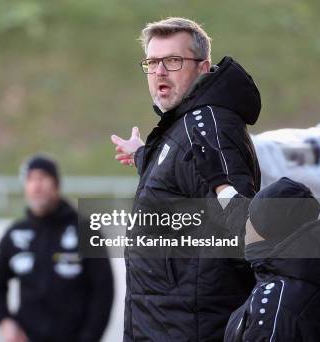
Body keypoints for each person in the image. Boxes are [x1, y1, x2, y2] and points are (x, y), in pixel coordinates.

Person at [110, 17, 261, 341]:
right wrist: (143, 155)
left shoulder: (208, 129)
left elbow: (249, 231)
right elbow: (188, 181)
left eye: (173, 61)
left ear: (203, 68)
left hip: (190, 328)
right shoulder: (183, 127)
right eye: (152, 62)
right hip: (161, 323)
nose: (159, 71)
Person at [187, 127, 320, 341]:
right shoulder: (300, 260)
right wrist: (219, 182)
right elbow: (240, 218)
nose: (247, 224)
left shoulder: (274, 305)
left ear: (266, 232)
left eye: (252, 217)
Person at [0, 155, 114, 342]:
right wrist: (5, 320)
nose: (36, 186)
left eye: (42, 178)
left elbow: (104, 290)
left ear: (56, 184)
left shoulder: (85, 230)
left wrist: (90, 337)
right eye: (30, 179)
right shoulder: (15, 234)